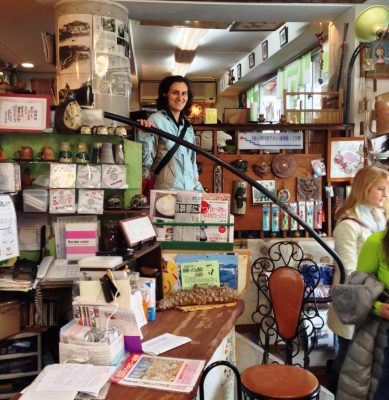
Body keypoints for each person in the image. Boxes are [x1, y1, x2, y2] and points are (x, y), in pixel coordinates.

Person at [327, 166, 389, 377]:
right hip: (354, 303)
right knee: (347, 366)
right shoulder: (349, 225)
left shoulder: (380, 219)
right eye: (380, 188)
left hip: (374, 303)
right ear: (365, 189)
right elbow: (349, 272)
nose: (386, 194)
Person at [334, 222, 389, 399]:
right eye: (380, 190)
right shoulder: (377, 242)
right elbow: (354, 289)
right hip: (382, 336)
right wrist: (378, 307)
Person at [137, 75, 203, 192]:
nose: (180, 97)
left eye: (184, 93)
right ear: (165, 94)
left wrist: (198, 188)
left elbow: (192, 162)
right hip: (165, 191)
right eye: (175, 92)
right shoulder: (155, 120)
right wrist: (144, 135)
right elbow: (145, 161)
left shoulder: (187, 127)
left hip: (189, 191)